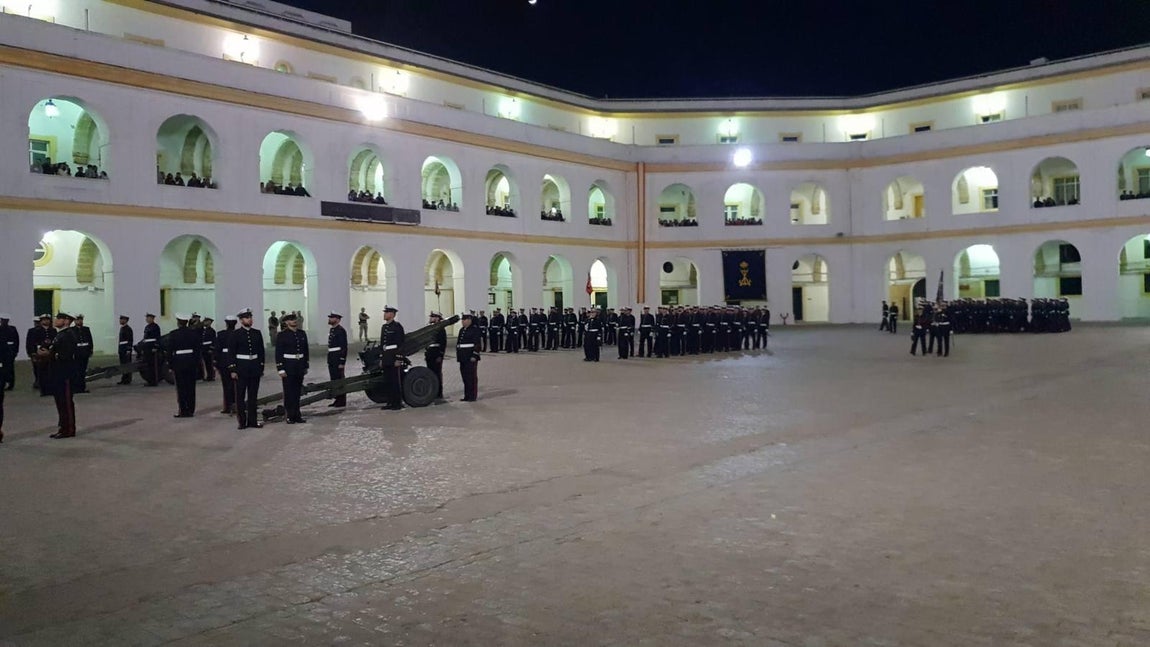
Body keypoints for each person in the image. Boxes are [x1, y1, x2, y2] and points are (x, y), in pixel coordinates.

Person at [228, 309, 265, 429]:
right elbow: (231, 353)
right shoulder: (235, 334)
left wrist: (261, 367)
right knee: (240, 396)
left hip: (254, 367)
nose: (249, 319)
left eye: (250, 317)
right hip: (241, 368)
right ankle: (242, 422)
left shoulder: (257, 333)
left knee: (253, 396)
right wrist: (233, 369)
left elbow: (261, 352)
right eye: (246, 317)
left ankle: (253, 421)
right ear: (241, 320)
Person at [46, 312, 78, 439]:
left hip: (65, 374)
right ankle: (62, 427)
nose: (55, 320)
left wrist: (50, 354)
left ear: (66, 321)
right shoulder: (60, 335)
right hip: (58, 373)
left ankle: (69, 429)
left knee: (66, 402)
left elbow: (65, 355)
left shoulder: (69, 335)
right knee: (60, 402)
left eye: (58, 318)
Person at [275, 312, 309, 424]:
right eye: (291, 319)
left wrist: (305, 365)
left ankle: (297, 414)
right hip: (288, 365)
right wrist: (280, 368)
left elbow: (305, 350)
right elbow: (279, 353)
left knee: (297, 392)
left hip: (299, 366)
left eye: (294, 319)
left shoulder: (302, 333)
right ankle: (289, 415)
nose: (294, 321)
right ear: (286, 322)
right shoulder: (282, 335)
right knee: (289, 392)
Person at [168, 313, 201, 417]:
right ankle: (191, 410)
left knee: (181, 388)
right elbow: (197, 350)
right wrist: (196, 363)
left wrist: (171, 365)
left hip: (179, 362)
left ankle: (183, 410)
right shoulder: (194, 333)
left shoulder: (173, 334)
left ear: (178, 323)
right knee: (191, 387)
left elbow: (169, 351)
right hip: (191, 362)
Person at [379, 305, 405, 410]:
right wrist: (381, 358)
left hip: (394, 357)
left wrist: (398, 359)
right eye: (385, 312)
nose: (384, 314)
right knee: (388, 381)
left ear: (392, 314)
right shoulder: (384, 327)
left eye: (386, 312)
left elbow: (401, 344)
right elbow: (382, 345)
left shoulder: (397, 326)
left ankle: (397, 403)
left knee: (395, 381)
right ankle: (389, 402)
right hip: (386, 358)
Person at [456, 312, 481, 401]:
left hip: (470, 357)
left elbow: (477, 344)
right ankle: (467, 395)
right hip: (463, 357)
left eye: (464, 320)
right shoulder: (462, 330)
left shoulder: (474, 330)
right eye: (462, 320)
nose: (462, 321)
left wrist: (474, 354)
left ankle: (472, 396)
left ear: (469, 320)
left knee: (471, 377)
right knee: (465, 377)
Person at [215, 315, 237, 414]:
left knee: (226, 384)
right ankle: (236, 404)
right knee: (236, 385)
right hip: (236, 360)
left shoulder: (221, 334)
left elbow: (217, 350)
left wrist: (216, 362)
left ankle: (227, 406)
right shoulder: (238, 334)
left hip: (224, 360)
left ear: (226, 323)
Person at [326, 312, 348, 408]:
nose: (330, 319)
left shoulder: (340, 330)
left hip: (337, 357)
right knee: (334, 379)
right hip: (332, 357)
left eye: (332, 318)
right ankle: (337, 398)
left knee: (339, 379)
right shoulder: (333, 330)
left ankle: (341, 400)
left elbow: (344, 347)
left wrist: (342, 361)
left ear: (338, 320)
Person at [424, 311, 446, 401]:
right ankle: (433, 391)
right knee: (430, 373)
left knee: (437, 373)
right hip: (430, 354)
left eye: (433, 317)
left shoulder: (440, 329)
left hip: (436, 354)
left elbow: (443, 343)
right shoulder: (430, 328)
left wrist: (440, 355)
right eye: (431, 317)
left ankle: (439, 393)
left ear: (437, 318)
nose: (431, 318)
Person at [72, 314, 94, 393]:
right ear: (74, 321)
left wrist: (90, 350)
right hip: (77, 353)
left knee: (83, 371)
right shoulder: (72, 330)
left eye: (80, 319)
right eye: (77, 319)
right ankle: (76, 387)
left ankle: (82, 387)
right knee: (76, 371)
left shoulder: (86, 329)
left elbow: (90, 340)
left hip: (85, 352)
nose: (79, 321)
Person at [141, 313, 162, 386]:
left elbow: (157, 338)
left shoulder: (155, 327)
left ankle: (153, 381)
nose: (147, 319)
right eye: (146, 318)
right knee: (148, 366)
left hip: (152, 348)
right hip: (147, 348)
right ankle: (150, 380)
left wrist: (155, 347)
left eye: (148, 318)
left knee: (153, 366)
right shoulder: (147, 327)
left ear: (152, 319)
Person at [0, 314, 17, 391]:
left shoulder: (12, 329)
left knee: (10, 368)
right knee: (1, 368)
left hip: (10, 352)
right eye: (3, 320)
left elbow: (16, 341)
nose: (4, 321)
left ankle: (10, 383)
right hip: (1, 353)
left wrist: (15, 352)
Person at [117, 314, 134, 384]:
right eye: (120, 319)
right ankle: (124, 378)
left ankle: (127, 379)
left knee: (127, 364)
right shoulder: (122, 328)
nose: (120, 321)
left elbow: (130, 340)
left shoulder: (128, 329)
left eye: (122, 319)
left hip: (125, 349)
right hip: (122, 349)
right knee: (123, 364)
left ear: (125, 320)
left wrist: (128, 349)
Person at [200, 317, 217, 381]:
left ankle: (211, 376)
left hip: (208, 348)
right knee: (204, 363)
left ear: (209, 322)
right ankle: (205, 375)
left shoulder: (212, 331)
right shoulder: (202, 330)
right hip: (203, 348)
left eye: (206, 321)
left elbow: (213, 341)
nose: (205, 322)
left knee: (209, 363)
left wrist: (211, 349)